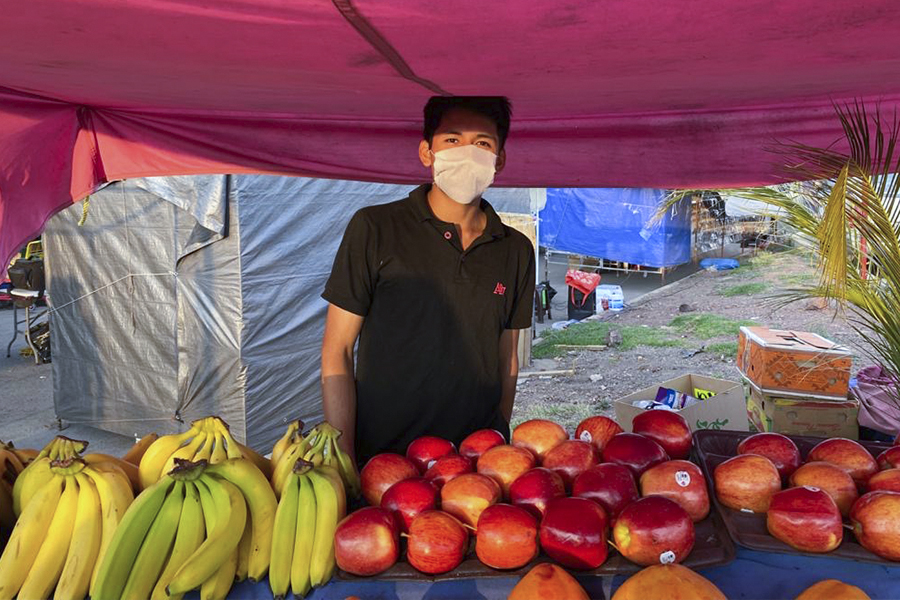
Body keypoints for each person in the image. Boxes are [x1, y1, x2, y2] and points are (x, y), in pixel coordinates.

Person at [320, 96, 535, 466]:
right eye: (452, 140)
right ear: (426, 152)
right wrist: (345, 459)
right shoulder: (375, 228)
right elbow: (337, 351)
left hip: (475, 464)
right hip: (385, 460)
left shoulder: (515, 249)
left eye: (482, 143)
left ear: (499, 160)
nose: (467, 153)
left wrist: (497, 437)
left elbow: (507, 358)